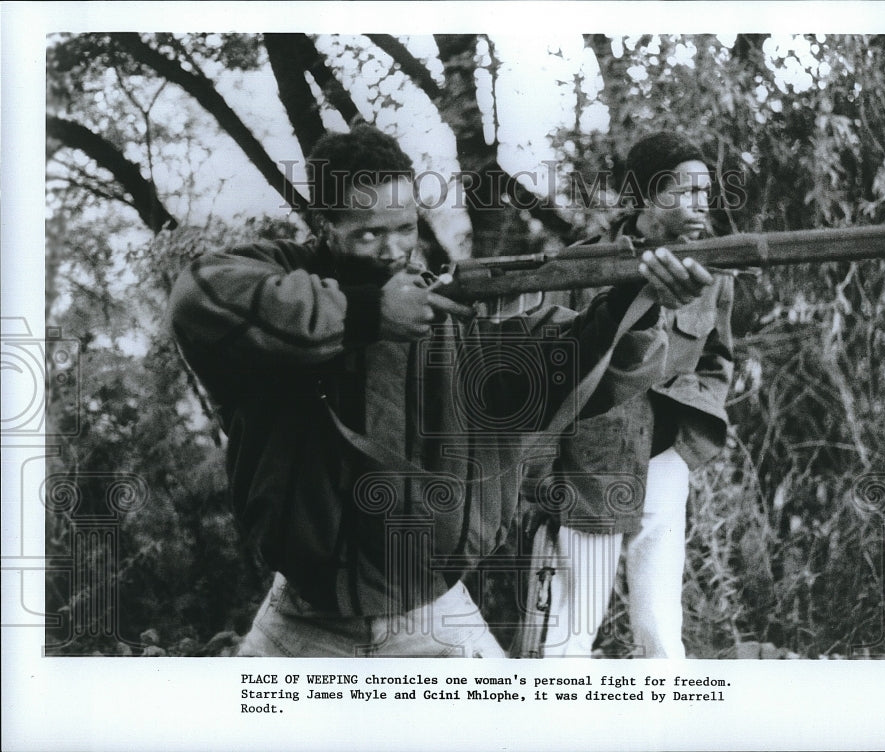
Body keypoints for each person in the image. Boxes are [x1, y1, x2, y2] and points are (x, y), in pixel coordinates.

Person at [167, 125, 717, 658]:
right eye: (368, 232)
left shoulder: (438, 309)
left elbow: (552, 360)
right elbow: (201, 293)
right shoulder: (286, 279)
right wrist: (366, 313)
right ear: (322, 225)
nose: (393, 250)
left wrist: (631, 303)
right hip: (304, 622)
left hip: (436, 616)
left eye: (404, 227)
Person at [534, 132, 735, 658]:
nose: (701, 205)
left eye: (705, 193)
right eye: (686, 192)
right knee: (568, 633)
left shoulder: (713, 272)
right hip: (591, 466)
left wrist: (692, 431)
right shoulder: (583, 266)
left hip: (666, 461)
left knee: (663, 635)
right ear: (647, 198)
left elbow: (717, 360)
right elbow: (548, 362)